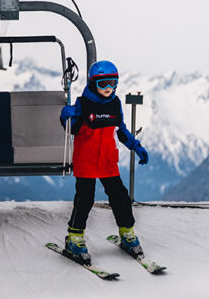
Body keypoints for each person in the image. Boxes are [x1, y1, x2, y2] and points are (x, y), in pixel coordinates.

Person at [59, 60, 149, 263]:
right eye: (103, 84)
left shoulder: (115, 104)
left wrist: (136, 146)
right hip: (87, 161)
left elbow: (122, 131)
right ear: (93, 84)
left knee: (121, 198)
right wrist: (66, 117)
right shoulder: (83, 103)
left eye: (113, 83)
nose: (109, 88)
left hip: (108, 161)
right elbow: (71, 129)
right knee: (85, 199)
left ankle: (127, 233)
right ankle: (75, 238)